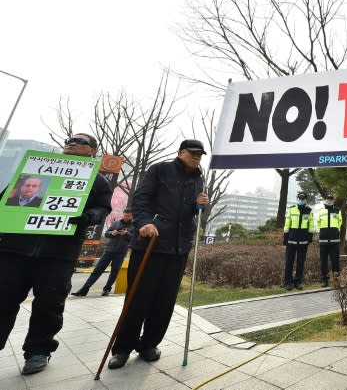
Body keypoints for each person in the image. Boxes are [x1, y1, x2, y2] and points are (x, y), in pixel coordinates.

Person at [0, 133, 112, 375]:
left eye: (81, 142)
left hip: (58, 253)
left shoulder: (99, 181)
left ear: (93, 151)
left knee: (49, 304)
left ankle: (38, 351)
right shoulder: (35, 169)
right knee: (3, 298)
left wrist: (88, 217)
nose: (72, 143)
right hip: (14, 249)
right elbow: (6, 200)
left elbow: (102, 208)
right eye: (69, 140)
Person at [108, 139, 208, 370]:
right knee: (137, 298)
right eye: (192, 153)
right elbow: (141, 199)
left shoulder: (198, 178)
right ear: (180, 153)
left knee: (165, 301)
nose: (196, 157)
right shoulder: (160, 170)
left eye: (199, 154)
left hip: (178, 248)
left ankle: (149, 344)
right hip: (151, 243)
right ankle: (122, 347)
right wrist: (143, 223)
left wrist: (197, 205)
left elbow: (188, 212)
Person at [72, 208, 134, 297]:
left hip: (120, 253)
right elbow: (106, 233)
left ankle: (107, 289)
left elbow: (133, 239)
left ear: (132, 216)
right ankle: (84, 289)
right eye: (125, 215)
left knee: (114, 272)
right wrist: (113, 233)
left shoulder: (134, 226)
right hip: (108, 251)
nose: (126, 217)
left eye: (128, 216)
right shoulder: (116, 223)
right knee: (97, 270)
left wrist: (126, 234)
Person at [283, 191, 313, 291]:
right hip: (291, 240)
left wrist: (310, 236)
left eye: (303, 199)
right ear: (297, 199)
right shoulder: (291, 209)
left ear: (306, 200)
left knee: (301, 262)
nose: (301, 200)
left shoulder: (309, 210)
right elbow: (287, 223)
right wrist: (285, 236)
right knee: (289, 262)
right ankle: (288, 282)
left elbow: (311, 224)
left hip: (303, 241)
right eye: (299, 198)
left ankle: (298, 282)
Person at [316, 193, 341, 287]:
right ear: (325, 200)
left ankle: (336, 279)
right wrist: (322, 231)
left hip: (334, 240)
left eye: (331, 199)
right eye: (328, 199)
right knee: (323, 260)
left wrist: (335, 231)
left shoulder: (337, 211)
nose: (329, 200)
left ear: (333, 200)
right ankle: (324, 279)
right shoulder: (321, 211)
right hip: (323, 240)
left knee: (335, 260)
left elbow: (340, 223)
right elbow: (318, 223)